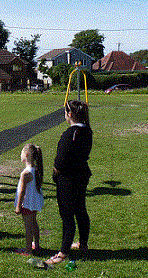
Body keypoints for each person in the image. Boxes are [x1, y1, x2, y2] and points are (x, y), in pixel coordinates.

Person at [46, 100, 93, 265]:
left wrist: (56, 171)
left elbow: (61, 159)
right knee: (80, 210)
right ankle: (83, 244)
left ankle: (63, 253)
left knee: (67, 215)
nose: (64, 114)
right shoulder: (87, 130)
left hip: (69, 179)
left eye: (65, 112)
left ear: (70, 114)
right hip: (81, 176)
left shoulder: (71, 133)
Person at [14, 144, 44, 256]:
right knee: (34, 223)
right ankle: (36, 244)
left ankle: (28, 250)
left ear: (26, 155)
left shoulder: (26, 173)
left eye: (21, 152)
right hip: (34, 202)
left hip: (27, 204)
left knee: (28, 227)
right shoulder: (36, 169)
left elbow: (21, 192)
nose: (20, 155)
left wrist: (18, 206)